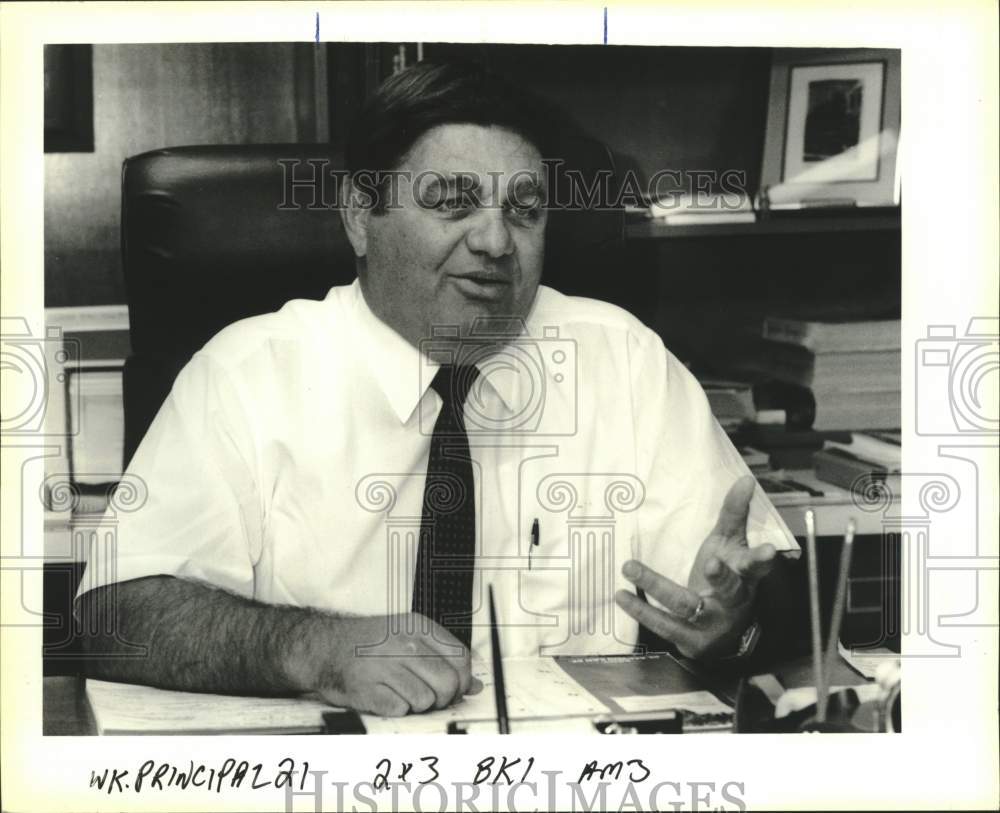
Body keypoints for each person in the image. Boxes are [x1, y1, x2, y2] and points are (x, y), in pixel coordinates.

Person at [77, 61, 797, 718]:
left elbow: (747, 589)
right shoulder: (246, 375)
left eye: (524, 210)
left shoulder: (622, 359)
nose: (495, 241)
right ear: (361, 215)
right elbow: (116, 613)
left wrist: (737, 624)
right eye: (453, 203)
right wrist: (314, 648)